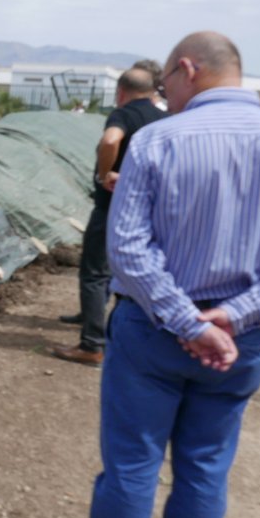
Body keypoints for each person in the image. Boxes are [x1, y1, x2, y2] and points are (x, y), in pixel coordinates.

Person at [90, 31, 260, 518]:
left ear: (188, 69)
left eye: (164, 81)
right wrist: (235, 316)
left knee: (132, 468)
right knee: (204, 472)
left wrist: (187, 322)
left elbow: (128, 247)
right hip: (239, 343)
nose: (163, 94)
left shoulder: (156, 140)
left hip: (152, 333)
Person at [51, 66, 166, 366]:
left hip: (114, 207)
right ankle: (98, 320)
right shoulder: (164, 119)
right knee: (124, 271)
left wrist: (105, 175)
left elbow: (110, 141)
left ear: (121, 93)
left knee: (94, 272)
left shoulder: (124, 114)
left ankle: (91, 344)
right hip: (149, 210)